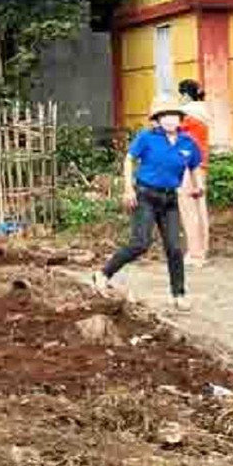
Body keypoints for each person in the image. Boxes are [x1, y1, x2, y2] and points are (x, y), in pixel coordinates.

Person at [95, 96, 204, 311]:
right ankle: (103, 273)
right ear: (158, 119)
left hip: (169, 199)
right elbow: (129, 159)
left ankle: (179, 294)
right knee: (140, 243)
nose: (170, 120)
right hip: (145, 196)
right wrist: (128, 189)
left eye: (173, 116)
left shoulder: (187, 142)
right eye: (165, 116)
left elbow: (194, 166)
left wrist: (198, 185)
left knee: (174, 247)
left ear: (180, 119)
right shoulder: (147, 137)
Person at [177, 80, 211, 267]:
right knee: (200, 207)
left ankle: (195, 254)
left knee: (188, 208)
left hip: (187, 165)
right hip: (202, 164)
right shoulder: (204, 113)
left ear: (185, 95)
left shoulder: (186, 116)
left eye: (180, 95)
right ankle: (202, 250)